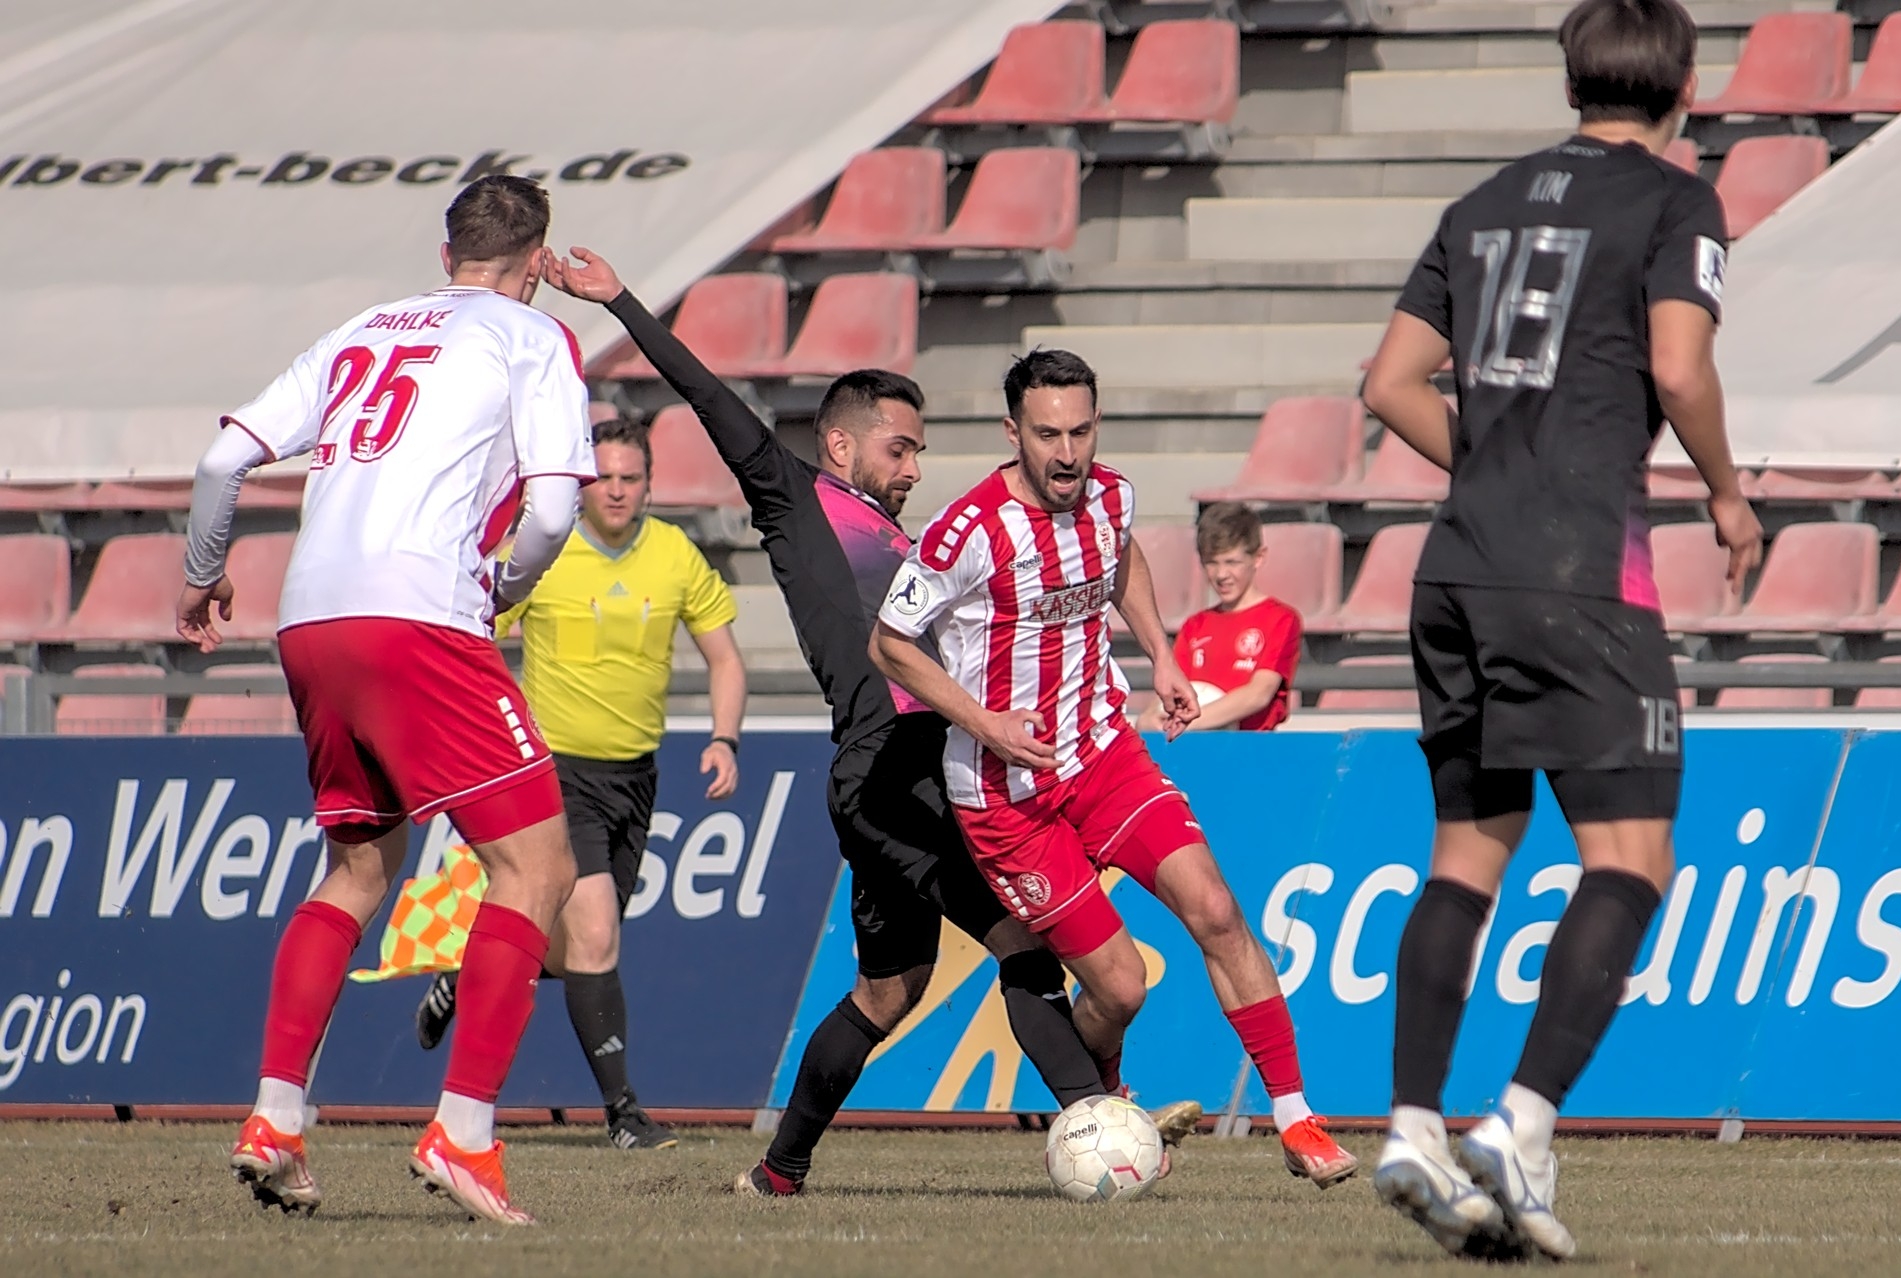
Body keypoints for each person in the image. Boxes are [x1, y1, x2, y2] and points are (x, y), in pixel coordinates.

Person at [539, 248, 1201, 1198]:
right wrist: (622, 302)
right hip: (891, 773)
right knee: (1022, 943)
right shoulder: (795, 498)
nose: (914, 468)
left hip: (903, 772)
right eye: (901, 449)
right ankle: (1103, 1121)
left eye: (921, 452)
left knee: (888, 992)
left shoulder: (906, 540)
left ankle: (778, 1173)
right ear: (842, 448)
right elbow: (711, 397)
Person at [1358, 0, 1763, 1258]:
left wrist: (1492, 474)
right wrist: (1729, 493)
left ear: (1573, 80)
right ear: (1685, 88)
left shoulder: (1481, 203)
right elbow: (1680, 367)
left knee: (1464, 856)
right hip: (1581, 573)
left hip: (1455, 571)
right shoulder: (1677, 202)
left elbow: (1386, 384)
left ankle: (1412, 1126)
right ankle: (1522, 1123)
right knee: (1633, 857)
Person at [177, 175, 596, 1227]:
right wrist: (501, 589)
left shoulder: (362, 328)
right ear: (536, 264)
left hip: (311, 616)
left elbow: (223, 459)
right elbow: (552, 511)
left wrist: (201, 571)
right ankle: (466, 1133)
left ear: (447, 252)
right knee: (537, 867)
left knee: (360, 865)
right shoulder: (530, 336)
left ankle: (276, 1119)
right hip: (420, 613)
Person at [869, 348, 1358, 1188]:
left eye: (1081, 432)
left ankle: (1295, 1119)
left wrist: (1162, 655)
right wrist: (986, 724)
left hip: (1102, 755)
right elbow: (889, 644)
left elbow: (1119, 557)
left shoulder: (1110, 496)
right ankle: (1104, 1105)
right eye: (1047, 434)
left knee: (1216, 908)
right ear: (1013, 432)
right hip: (1006, 797)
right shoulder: (966, 530)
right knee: (1122, 989)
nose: (1067, 454)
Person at [412, 411, 747, 1153]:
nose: (618, 491)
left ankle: (468, 973)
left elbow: (725, 657)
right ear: (582, 485)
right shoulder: (543, 552)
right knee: (595, 938)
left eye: (632, 478)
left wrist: (724, 739)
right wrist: (487, 728)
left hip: (636, 776)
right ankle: (624, 1115)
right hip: (555, 772)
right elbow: (473, 633)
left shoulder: (675, 554)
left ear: (650, 484)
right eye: (605, 479)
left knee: (579, 950)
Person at [1141, 501, 1302, 733]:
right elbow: (1170, 690)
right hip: (1195, 744)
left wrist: (1191, 722)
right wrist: (1148, 719)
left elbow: (1259, 694)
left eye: (1232, 562)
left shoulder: (1280, 619)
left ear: (1258, 557)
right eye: (1212, 563)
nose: (1221, 574)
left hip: (1250, 745)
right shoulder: (1195, 626)